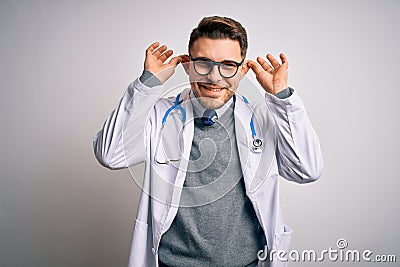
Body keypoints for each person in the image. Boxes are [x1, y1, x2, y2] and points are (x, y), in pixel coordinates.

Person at [93, 16, 323, 267]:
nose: (214, 77)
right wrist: (147, 86)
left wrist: (282, 98)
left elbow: (306, 170)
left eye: (227, 65)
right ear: (187, 65)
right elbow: (111, 154)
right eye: (203, 63)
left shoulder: (262, 119)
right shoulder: (160, 115)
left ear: (242, 70)